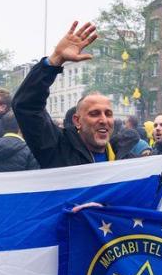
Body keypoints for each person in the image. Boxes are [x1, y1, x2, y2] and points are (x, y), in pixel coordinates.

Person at [12, 22, 142, 168]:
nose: (103, 120)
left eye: (108, 114)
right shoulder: (57, 148)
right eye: (94, 114)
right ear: (77, 121)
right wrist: (55, 60)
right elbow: (26, 106)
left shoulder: (126, 159)